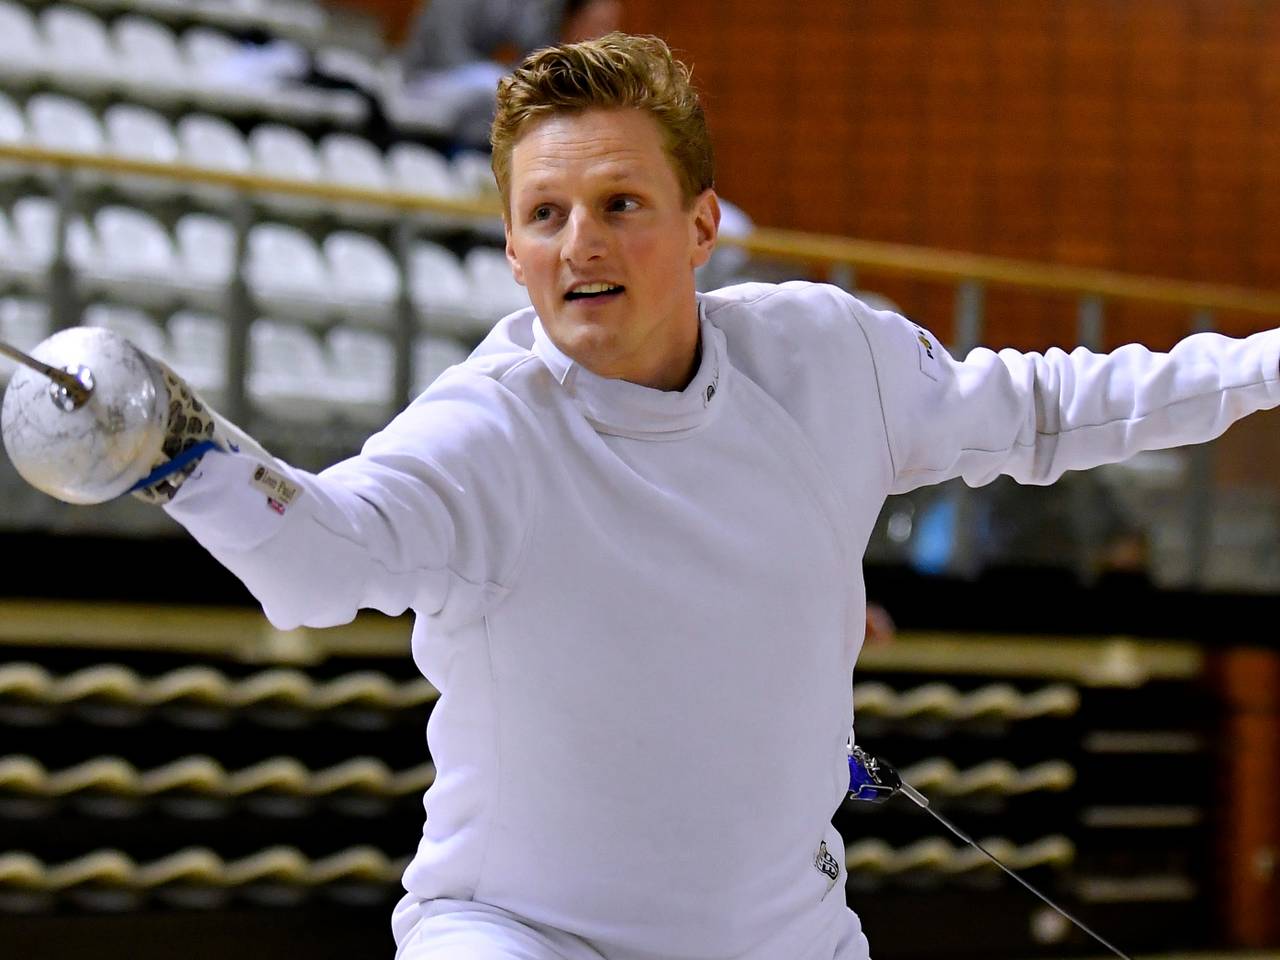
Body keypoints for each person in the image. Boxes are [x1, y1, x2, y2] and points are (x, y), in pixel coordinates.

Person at [16, 32, 1280, 960]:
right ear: (511, 248)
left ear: (700, 224)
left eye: (620, 205)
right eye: (546, 215)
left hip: (782, 934)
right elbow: (321, 562)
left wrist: (1266, 363)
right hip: (514, 935)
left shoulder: (826, 357)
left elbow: (1055, 410)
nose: (582, 246)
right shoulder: (485, 431)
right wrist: (183, 452)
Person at [394, 0, 624, 147]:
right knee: (491, 84)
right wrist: (502, 78)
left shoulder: (532, 8)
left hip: (480, 84)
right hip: (426, 81)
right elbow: (445, 55)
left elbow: (536, 54)